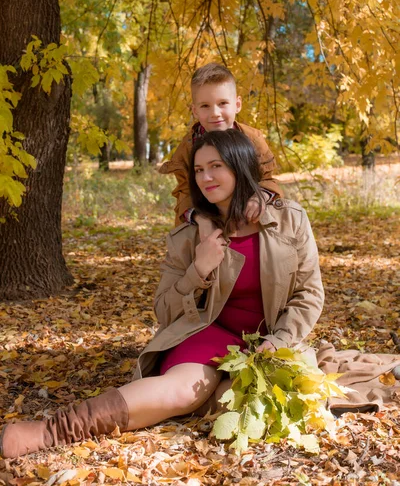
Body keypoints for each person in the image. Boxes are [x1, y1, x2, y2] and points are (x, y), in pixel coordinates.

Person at [0, 129, 324, 458]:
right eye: (198, 170)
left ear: (239, 166)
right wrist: (198, 269)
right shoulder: (188, 236)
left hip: (272, 343)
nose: (206, 178)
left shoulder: (290, 219)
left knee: (267, 406)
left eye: (216, 166)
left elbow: (309, 293)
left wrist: (280, 340)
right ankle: (52, 431)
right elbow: (165, 311)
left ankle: (214, 390)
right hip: (211, 332)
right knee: (185, 391)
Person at [159, 62, 283, 232]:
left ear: (237, 105)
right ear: (195, 111)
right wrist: (200, 218)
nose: (215, 113)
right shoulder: (188, 148)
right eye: (205, 106)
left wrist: (259, 196)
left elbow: (267, 178)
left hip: (249, 221)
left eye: (222, 103)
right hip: (203, 226)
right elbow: (185, 192)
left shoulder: (253, 139)